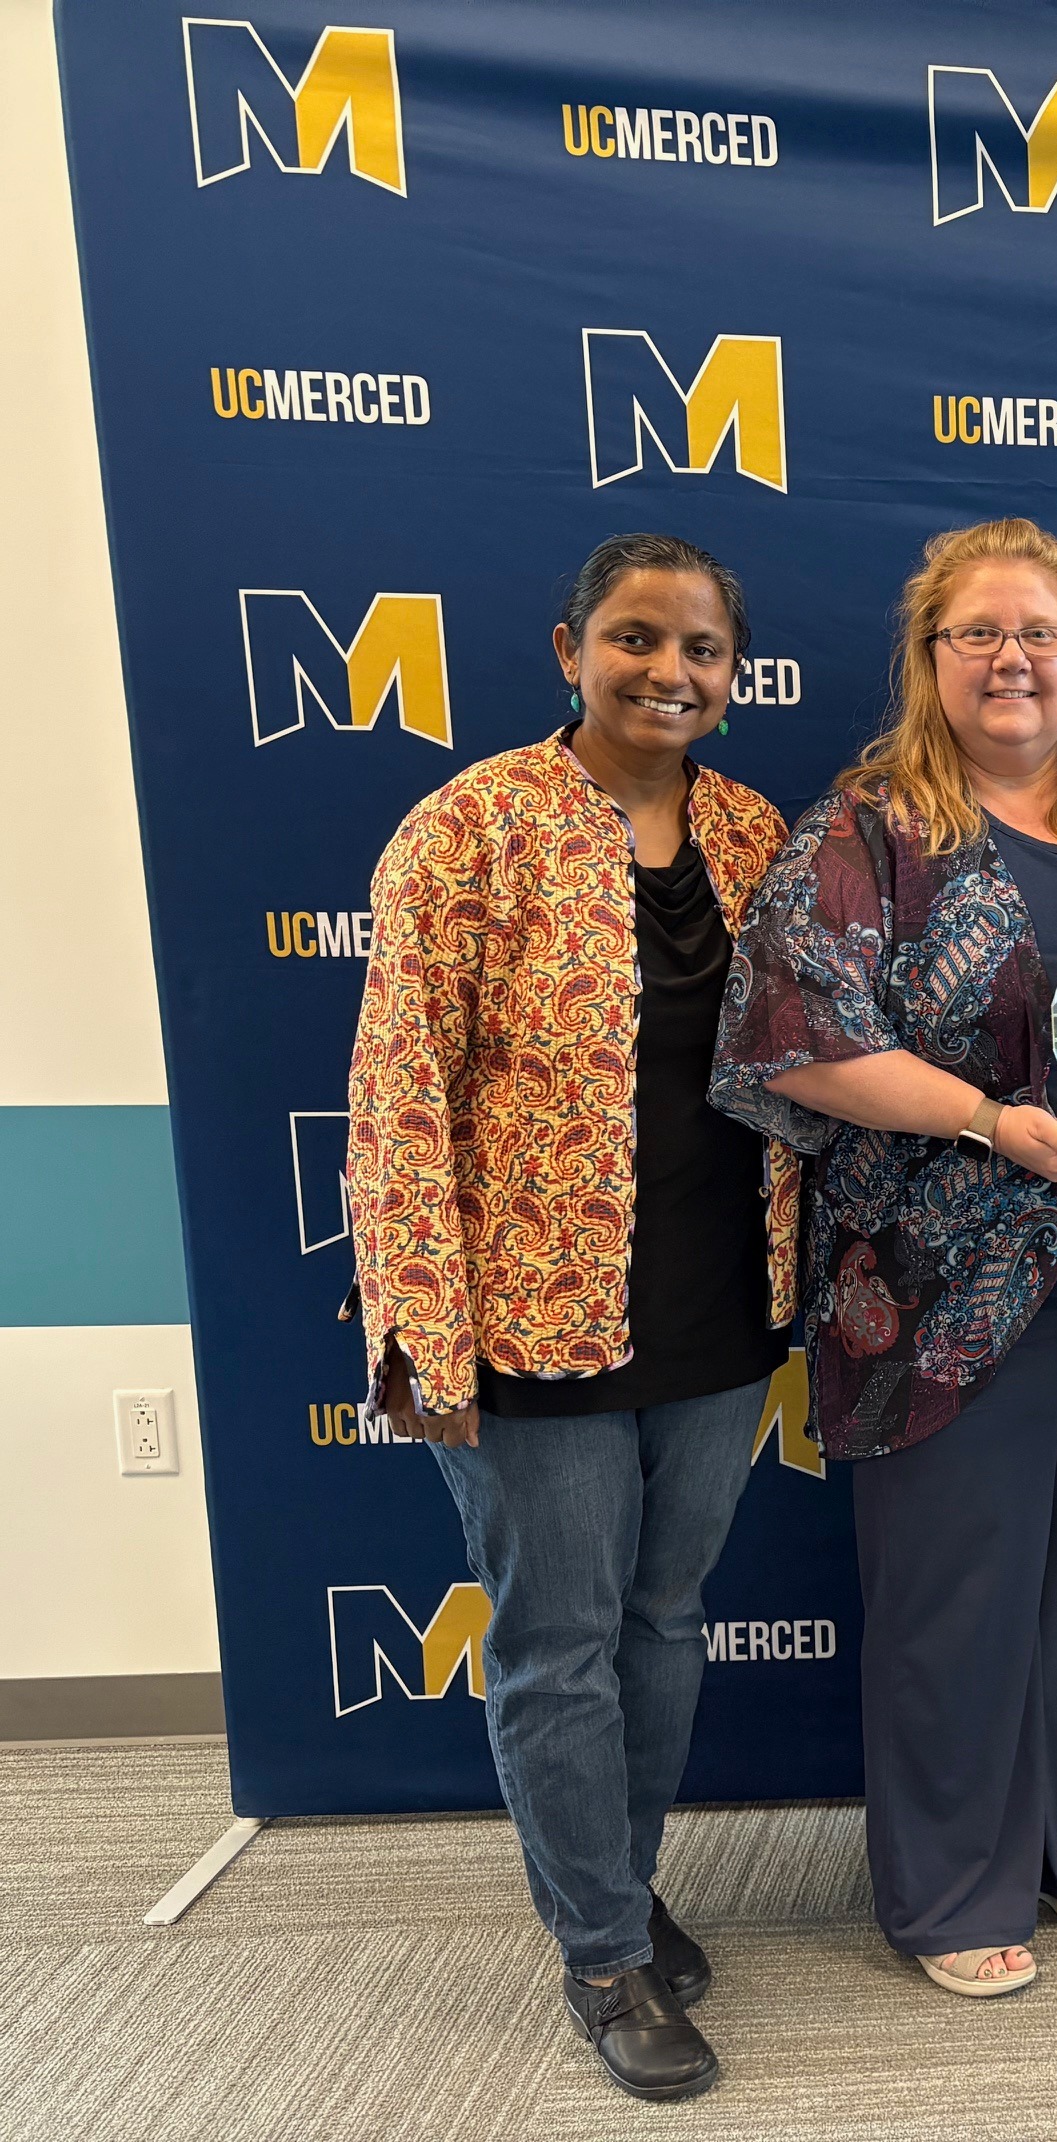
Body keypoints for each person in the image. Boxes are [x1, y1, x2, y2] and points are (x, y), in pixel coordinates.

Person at [710, 517, 1057, 2001]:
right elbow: (794, 1039)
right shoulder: (868, 832)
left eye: (1039, 633)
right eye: (979, 633)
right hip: (936, 1293)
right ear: (929, 658)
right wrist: (985, 1119)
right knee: (957, 1598)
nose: (1012, 659)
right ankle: (951, 1882)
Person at [345, 533, 795, 2102]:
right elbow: (397, 1096)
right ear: (569, 649)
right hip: (527, 1321)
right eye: (636, 638)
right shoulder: (468, 829)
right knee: (557, 1647)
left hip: (718, 1302)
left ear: (733, 674)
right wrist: (419, 1328)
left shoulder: (752, 832)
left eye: (700, 648)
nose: (668, 671)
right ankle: (600, 1954)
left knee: (662, 1621)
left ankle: (621, 1883)